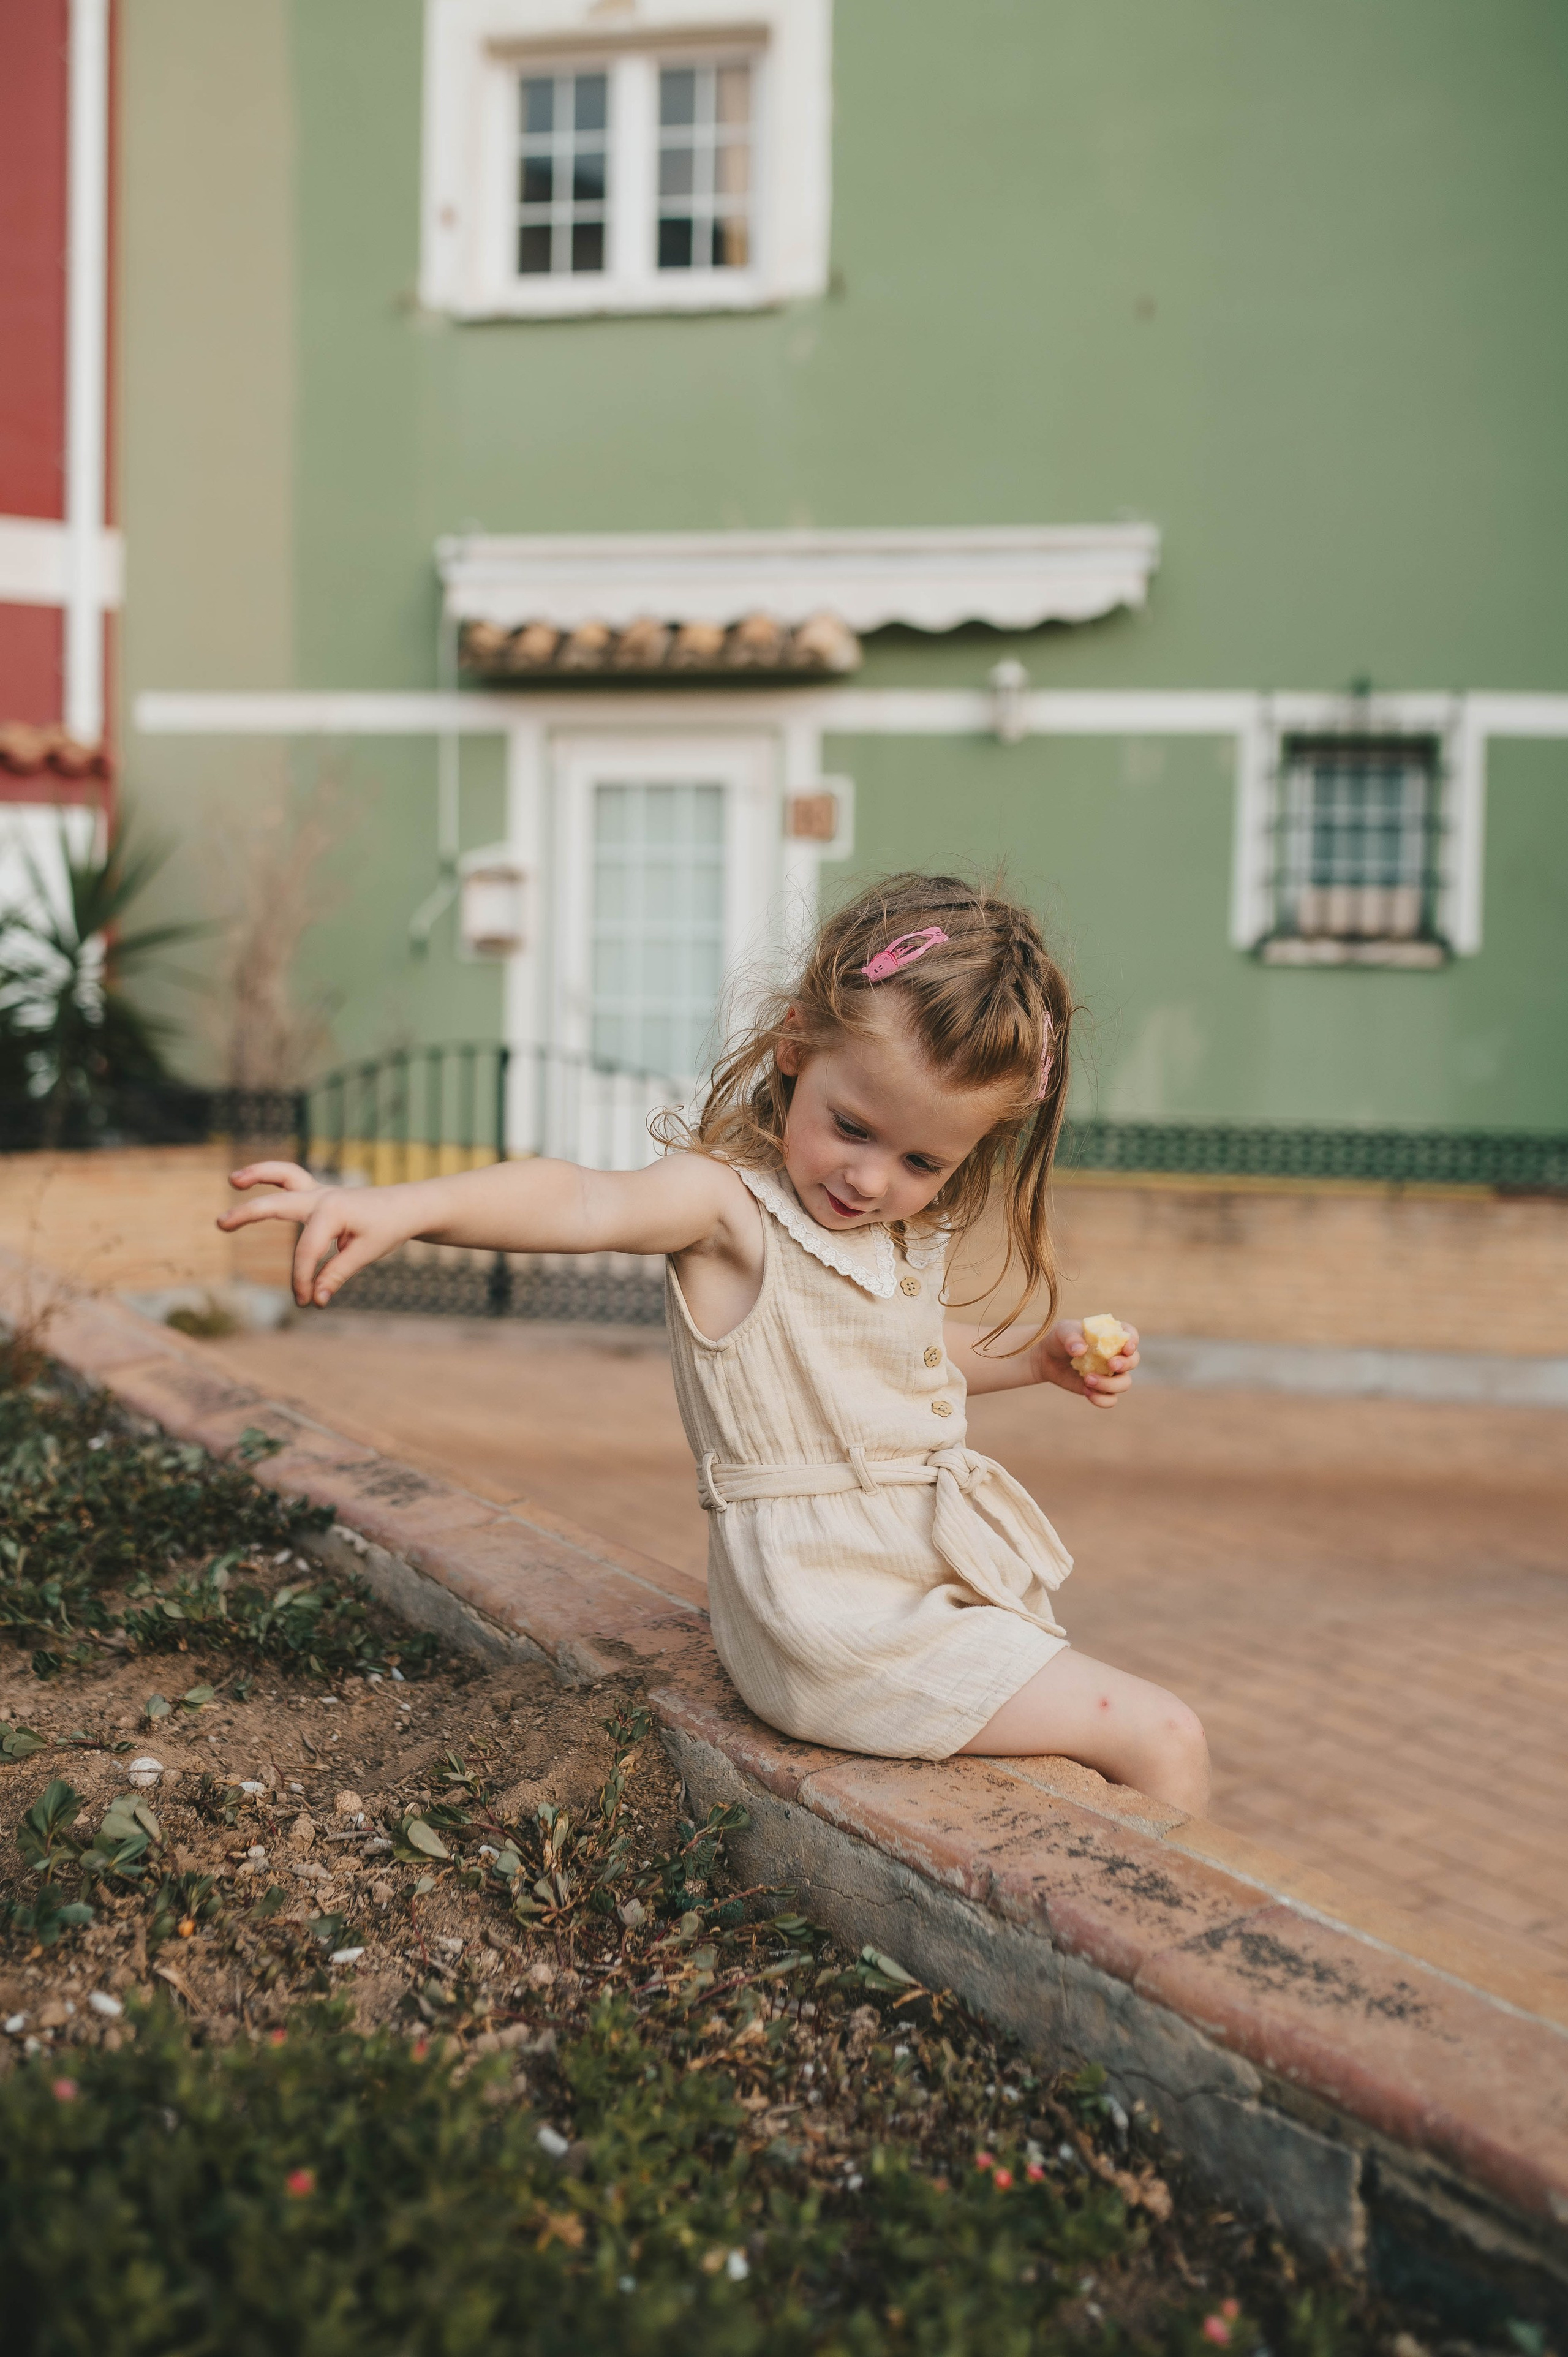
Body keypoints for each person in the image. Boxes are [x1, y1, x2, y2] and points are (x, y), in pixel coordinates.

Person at [219, 873, 1209, 1814]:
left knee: (1123, 1726)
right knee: (1163, 1736)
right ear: (793, 1046)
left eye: (921, 1161)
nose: (870, 1181)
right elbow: (582, 1197)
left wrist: (1034, 1359)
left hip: (898, 1583)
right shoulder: (731, 1207)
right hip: (831, 1618)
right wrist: (399, 1205)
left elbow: (899, 1354)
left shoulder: (888, 1232)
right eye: (852, 1127)